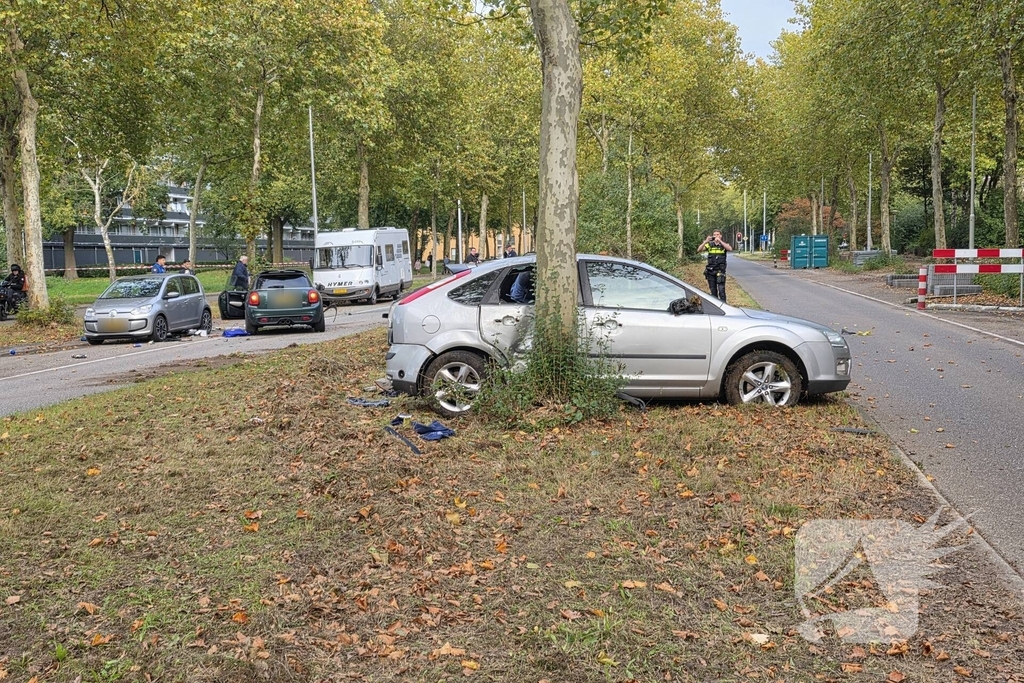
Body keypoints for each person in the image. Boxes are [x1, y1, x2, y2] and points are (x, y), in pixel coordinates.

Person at [697, 230, 732, 302]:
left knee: (721, 290)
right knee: (713, 291)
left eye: (717, 234)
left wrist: (720, 241)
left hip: (720, 271)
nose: (716, 236)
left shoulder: (723, 245)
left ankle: (724, 306)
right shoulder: (709, 245)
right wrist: (705, 241)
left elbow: (729, 249)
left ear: (720, 236)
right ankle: (716, 307)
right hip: (710, 271)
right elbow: (699, 250)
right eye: (714, 234)